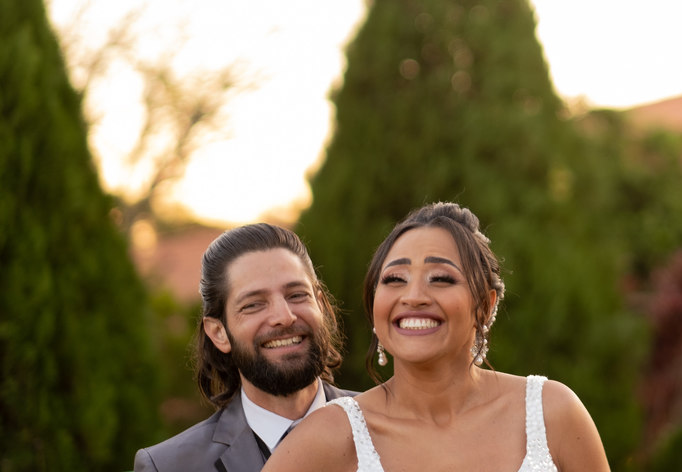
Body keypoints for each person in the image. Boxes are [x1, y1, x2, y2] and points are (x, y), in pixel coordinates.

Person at [264, 202, 610, 472]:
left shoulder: (552, 413)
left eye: (441, 278)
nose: (413, 296)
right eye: (394, 279)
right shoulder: (329, 435)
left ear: (485, 306)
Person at [135, 223, 358, 472]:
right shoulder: (168, 467)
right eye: (253, 305)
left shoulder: (395, 426)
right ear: (219, 333)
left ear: (320, 304)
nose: (284, 317)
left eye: (296, 295)